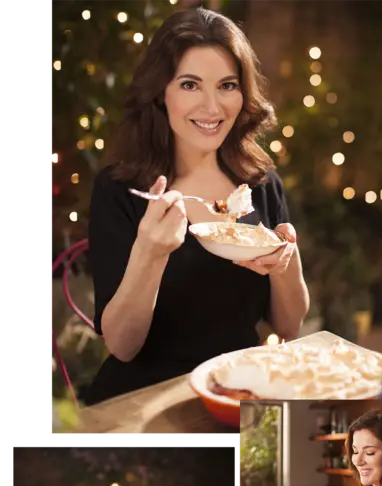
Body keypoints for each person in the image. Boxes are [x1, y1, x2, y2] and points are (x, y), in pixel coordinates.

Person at [84, 7, 309, 406]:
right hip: (145, 400)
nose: (213, 108)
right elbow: (122, 346)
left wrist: (284, 261)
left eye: (227, 85)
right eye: (190, 85)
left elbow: (289, 325)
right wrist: (151, 253)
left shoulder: (260, 184)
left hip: (235, 392)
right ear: (160, 93)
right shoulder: (123, 191)